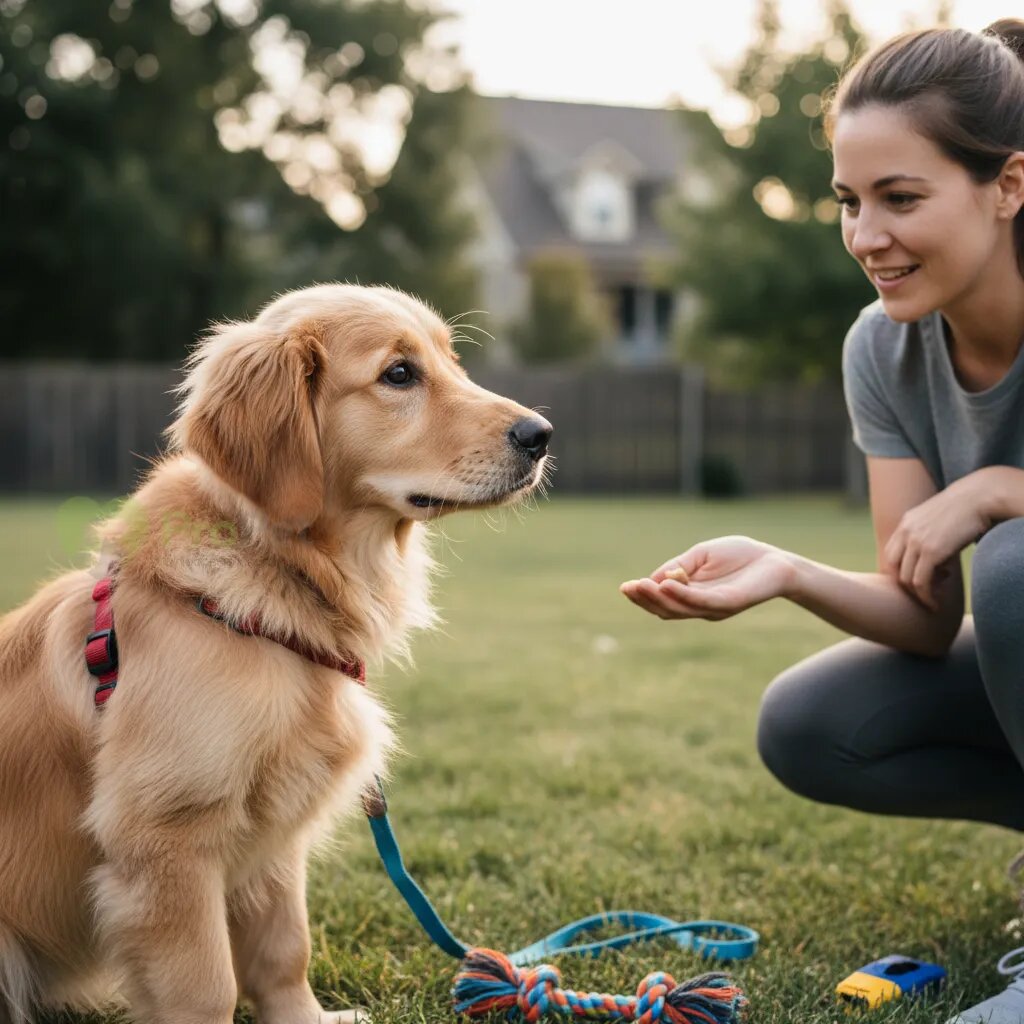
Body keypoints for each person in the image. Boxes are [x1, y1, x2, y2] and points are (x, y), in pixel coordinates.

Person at [620, 19, 1024, 1024]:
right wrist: (783, 569)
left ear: (1007, 187)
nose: (866, 237)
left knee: (1015, 566)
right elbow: (925, 618)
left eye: (901, 198)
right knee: (810, 723)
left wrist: (992, 489)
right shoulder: (881, 351)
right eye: (849, 202)